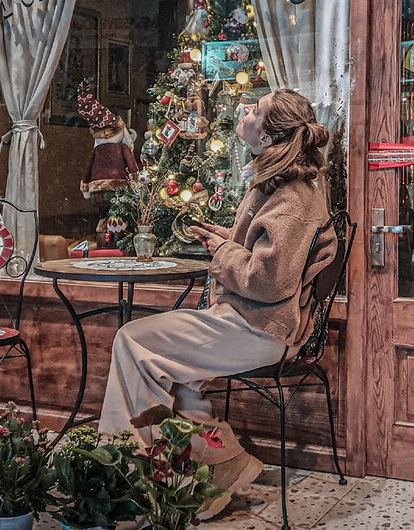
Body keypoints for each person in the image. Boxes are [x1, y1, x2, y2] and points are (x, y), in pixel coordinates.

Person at [99, 88, 336, 520]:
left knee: (133, 341)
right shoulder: (280, 186)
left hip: (259, 329)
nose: (245, 109)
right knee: (170, 366)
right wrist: (229, 238)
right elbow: (272, 255)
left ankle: (126, 473)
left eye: (255, 109)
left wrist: (223, 251)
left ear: (266, 138)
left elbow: (269, 281)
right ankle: (220, 466)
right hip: (250, 321)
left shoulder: (292, 198)